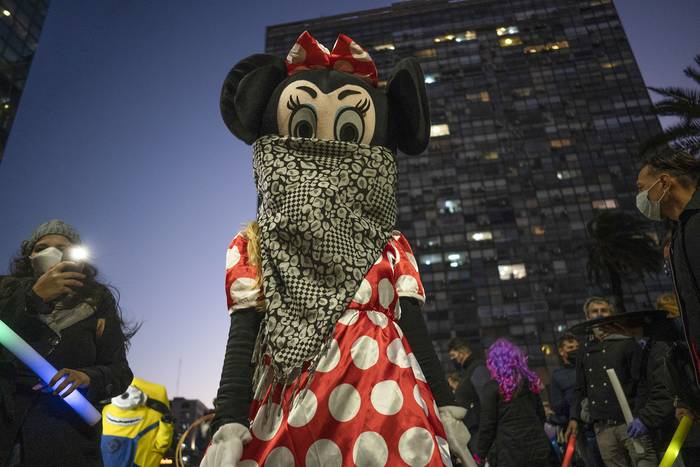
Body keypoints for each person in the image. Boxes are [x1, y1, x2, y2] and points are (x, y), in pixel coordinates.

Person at [203, 32, 473, 467]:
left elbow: (416, 330)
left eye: (348, 131)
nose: (324, 149)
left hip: (384, 397)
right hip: (290, 401)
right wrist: (229, 418)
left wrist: (444, 404)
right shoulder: (252, 245)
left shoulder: (390, 245)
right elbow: (243, 335)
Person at [0, 220, 135, 466]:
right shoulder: (5, 292)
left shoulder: (98, 303)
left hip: (67, 443)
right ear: (29, 255)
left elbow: (120, 372)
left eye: (63, 248)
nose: (51, 254)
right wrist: (33, 299)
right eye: (42, 247)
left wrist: (87, 378)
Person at [566, 297, 659, 466]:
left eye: (604, 310)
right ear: (587, 317)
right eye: (595, 311)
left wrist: (640, 417)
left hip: (629, 421)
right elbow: (580, 387)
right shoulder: (585, 350)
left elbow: (641, 382)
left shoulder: (627, 342)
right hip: (602, 426)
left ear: (611, 314)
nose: (600, 314)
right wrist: (574, 417)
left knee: (644, 462)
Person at [636, 151, 700, 391]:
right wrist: (646, 328)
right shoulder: (680, 234)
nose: (641, 198)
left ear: (663, 182)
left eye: (642, 188)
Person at [472, 338, 552, 467]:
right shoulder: (529, 382)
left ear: (493, 362)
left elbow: (488, 425)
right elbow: (540, 415)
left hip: (510, 452)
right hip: (538, 446)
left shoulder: (492, 388)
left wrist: (480, 455)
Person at [448, 337, 490, 449]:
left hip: (479, 430)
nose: (453, 360)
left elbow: (486, 401)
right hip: (473, 429)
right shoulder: (467, 370)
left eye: (453, 355)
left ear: (461, 351)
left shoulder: (477, 368)